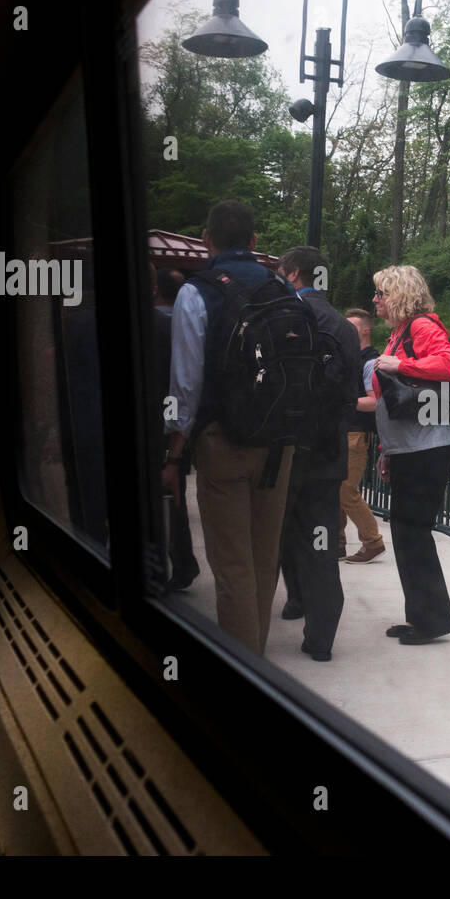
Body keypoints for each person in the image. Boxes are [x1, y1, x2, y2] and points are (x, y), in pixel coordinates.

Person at [162, 199, 294, 656]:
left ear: (206, 241)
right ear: (255, 242)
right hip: (279, 443)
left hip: (222, 441)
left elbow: (185, 381)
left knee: (233, 566)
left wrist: (175, 452)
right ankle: (256, 660)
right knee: (263, 557)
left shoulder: (195, 293)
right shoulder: (284, 289)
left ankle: (244, 675)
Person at [275, 247, 361, 661]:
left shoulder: (283, 316)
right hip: (328, 451)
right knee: (320, 539)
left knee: (277, 529)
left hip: (286, 447)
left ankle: (293, 600)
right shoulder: (346, 327)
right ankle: (321, 636)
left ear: (293, 274)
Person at [369, 265, 450, 645]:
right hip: (412, 448)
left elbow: (449, 366)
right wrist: (387, 450)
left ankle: (432, 620)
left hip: (428, 447)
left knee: (413, 532)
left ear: (399, 294)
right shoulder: (399, 333)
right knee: (407, 534)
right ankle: (421, 616)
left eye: (380, 293)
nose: (375, 301)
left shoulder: (422, 327)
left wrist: (400, 363)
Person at [150, 261, 199, 591]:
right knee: (173, 499)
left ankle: (170, 565)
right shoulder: (173, 327)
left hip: (166, 429)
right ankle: (181, 563)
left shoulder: (161, 325)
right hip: (173, 429)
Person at [339, 308, 386, 564]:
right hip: (347, 431)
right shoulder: (355, 358)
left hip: (357, 434)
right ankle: (336, 544)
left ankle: (372, 542)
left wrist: (343, 401)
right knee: (337, 487)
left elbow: (376, 402)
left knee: (346, 489)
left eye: (352, 327)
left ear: (365, 330)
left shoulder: (369, 362)